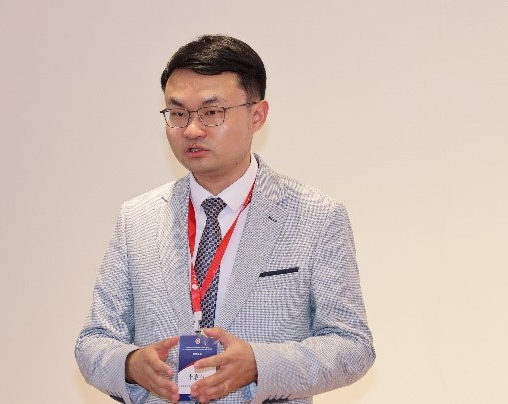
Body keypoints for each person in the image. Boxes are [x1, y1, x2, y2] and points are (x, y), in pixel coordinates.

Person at [75, 34, 375, 404]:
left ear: (257, 115)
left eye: (212, 112)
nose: (192, 129)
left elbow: (353, 346)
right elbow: (93, 342)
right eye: (178, 113)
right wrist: (130, 364)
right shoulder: (137, 219)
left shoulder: (317, 217)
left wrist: (260, 364)